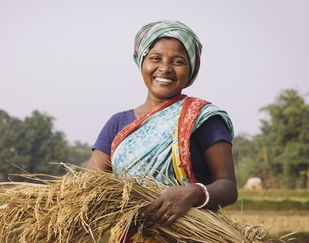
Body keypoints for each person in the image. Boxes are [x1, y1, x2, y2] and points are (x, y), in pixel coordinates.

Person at [87, 20, 237, 242]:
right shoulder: (117, 124)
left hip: (193, 236)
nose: (165, 69)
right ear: (142, 62)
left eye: (178, 61)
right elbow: (90, 187)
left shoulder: (203, 119)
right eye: (155, 58)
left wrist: (194, 193)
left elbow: (228, 187)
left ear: (191, 69)